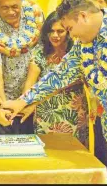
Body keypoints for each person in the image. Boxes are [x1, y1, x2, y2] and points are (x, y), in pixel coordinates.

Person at [2, 0, 107, 184]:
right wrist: (23, 101)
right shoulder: (83, 45)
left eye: (70, 29)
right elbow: (60, 74)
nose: (71, 36)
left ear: (83, 16)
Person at [0, 0, 44, 134]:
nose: (11, 12)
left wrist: (26, 98)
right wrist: (4, 104)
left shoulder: (34, 16)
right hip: (4, 98)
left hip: (33, 95)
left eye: (15, 6)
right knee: (6, 146)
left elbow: (37, 58)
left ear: (21, 1)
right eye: (5, 7)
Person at [22, 11, 89, 147]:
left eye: (60, 31)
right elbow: (29, 85)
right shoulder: (40, 54)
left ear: (69, 32)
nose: (55, 35)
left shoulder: (77, 53)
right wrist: (24, 104)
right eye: (50, 31)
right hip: (45, 115)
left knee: (76, 155)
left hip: (75, 113)